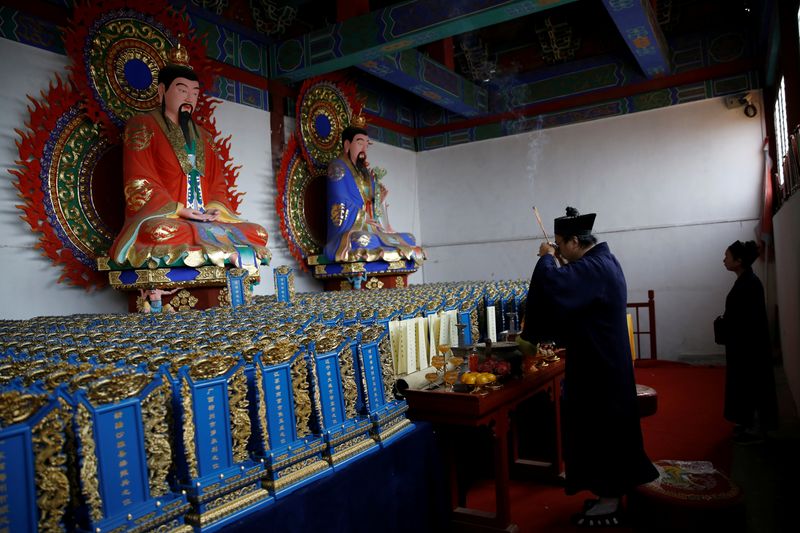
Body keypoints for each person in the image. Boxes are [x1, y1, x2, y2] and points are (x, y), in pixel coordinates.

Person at [519, 206, 657, 527]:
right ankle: (608, 491)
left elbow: (554, 286)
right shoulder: (602, 262)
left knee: (604, 431)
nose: (558, 250)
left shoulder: (595, 267)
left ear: (573, 242)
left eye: (559, 245)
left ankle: (610, 499)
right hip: (600, 361)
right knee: (599, 430)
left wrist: (545, 258)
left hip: (601, 369)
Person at [108, 52, 270, 271]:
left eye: (194, 93)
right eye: (182, 90)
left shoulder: (205, 137)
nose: (189, 98)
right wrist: (180, 210)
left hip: (208, 220)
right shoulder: (142, 126)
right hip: (168, 218)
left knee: (258, 232)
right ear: (162, 91)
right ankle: (220, 251)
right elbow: (139, 182)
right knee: (161, 232)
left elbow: (218, 185)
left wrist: (214, 208)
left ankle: (217, 250)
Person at [324, 116, 424, 263]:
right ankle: (379, 249)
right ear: (347, 144)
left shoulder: (365, 172)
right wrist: (363, 217)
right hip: (349, 231)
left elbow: (372, 206)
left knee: (409, 238)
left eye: (367, 145)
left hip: (372, 228)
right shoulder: (337, 168)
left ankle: (384, 249)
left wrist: (379, 200)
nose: (364, 149)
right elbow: (339, 203)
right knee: (364, 240)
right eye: (359, 143)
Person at [717, 240, 778, 443]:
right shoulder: (747, 281)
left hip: (749, 347)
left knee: (751, 384)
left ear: (739, 260)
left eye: (727, 256)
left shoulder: (750, 284)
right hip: (743, 344)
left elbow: (748, 319)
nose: (724, 260)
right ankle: (747, 421)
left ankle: (755, 425)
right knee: (744, 384)